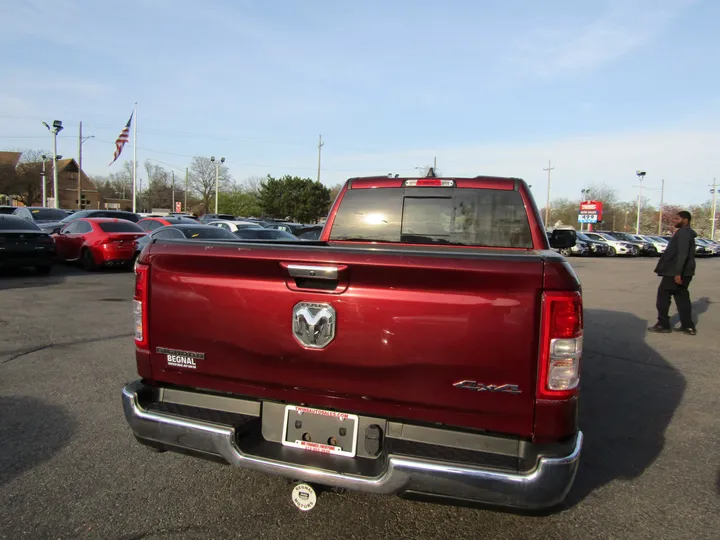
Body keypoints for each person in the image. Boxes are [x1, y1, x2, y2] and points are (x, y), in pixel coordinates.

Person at [648, 210, 697, 335]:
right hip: (684, 271)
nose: (674, 221)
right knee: (682, 297)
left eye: (677, 219)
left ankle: (663, 324)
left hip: (675, 272)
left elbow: (682, 254)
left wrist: (677, 273)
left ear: (685, 220)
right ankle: (688, 326)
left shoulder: (684, 233)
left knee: (663, 296)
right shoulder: (686, 233)